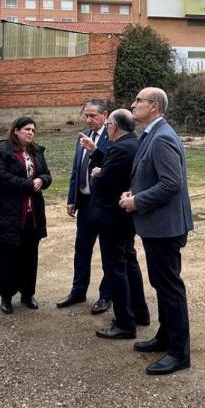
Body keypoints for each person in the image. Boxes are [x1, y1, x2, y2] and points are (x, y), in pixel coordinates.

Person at [119, 87, 194, 376]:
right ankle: (166, 336)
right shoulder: (153, 133)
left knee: (170, 287)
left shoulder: (162, 137)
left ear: (154, 106)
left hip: (165, 227)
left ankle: (179, 353)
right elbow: (153, 176)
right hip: (157, 225)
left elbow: (171, 183)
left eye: (138, 100)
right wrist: (134, 191)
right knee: (162, 285)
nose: (133, 104)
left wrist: (137, 201)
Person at [88, 108, 150, 340]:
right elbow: (116, 169)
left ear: (113, 127)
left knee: (115, 268)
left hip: (112, 216)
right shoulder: (135, 144)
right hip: (126, 216)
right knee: (130, 264)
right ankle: (140, 312)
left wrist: (97, 174)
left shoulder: (120, 148)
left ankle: (124, 322)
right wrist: (98, 156)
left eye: (108, 126)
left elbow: (105, 181)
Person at [0, 117, 53, 314]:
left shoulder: (36, 151)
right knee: (7, 256)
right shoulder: (2, 150)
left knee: (30, 255)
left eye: (33, 130)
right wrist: (28, 184)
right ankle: (6, 296)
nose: (30, 133)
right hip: (8, 213)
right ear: (16, 131)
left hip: (32, 214)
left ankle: (28, 294)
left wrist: (41, 180)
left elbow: (47, 174)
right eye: (27, 129)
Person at [57, 100, 113, 314]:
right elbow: (76, 169)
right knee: (82, 249)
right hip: (85, 202)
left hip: (105, 204)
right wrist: (72, 198)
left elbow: (115, 165)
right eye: (86, 116)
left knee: (108, 251)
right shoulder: (82, 136)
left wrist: (96, 149)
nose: (89, 120)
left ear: (105, 115)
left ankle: (106, 295)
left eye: (93, 116)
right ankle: (78, 291)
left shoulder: (114, 136)